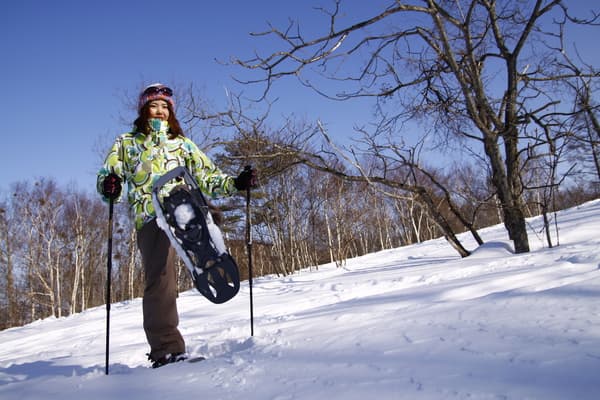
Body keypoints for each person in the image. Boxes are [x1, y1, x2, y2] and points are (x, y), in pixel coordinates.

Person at [97, 83, 256, 368]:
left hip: (184, 212)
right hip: (151, 217)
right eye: (154, 106)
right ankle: (166, 350)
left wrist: (235, 182)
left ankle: (213, 264)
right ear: (144, 110)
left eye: (165, 107)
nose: (159, 111)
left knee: (202, 249)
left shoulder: (182, 145)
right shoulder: (127, 143)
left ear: (171, 112)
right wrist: (110, 185)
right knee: (161, 280)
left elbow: (207, 176)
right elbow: (111, 175)